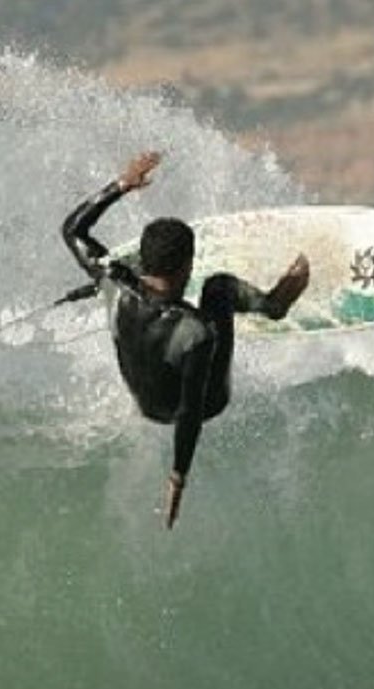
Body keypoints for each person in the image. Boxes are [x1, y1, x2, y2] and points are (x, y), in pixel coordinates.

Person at [61, 151, 309, 529]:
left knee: (116, 273)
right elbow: (191, 410)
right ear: (187, 266)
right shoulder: (196, 332)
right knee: (218, 288)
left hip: (144, 405)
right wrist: (178, 478)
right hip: (208, 404)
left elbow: (73, 231)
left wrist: (122, 185)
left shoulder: (112, 282)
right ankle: (275, 304)